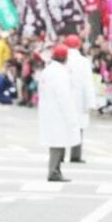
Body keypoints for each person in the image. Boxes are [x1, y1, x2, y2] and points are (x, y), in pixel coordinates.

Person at [38, 44, 79, 182]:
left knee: (57, 141)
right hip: (58, 112)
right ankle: (54, 171)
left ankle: (56, 170)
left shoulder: (48, 70)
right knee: (58, 141)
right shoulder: (60, 73)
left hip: (48, 110)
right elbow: (64, 96)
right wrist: (70, 115)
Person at [64, 34, 96, 164]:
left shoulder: (62, 60)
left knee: (63, 126)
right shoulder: (83, 61)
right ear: (78, 45)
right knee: (78, 128)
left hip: (64, 98)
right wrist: (91, 102)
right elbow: (88, 83)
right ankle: (75, 155)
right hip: (79, 99)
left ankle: (59, 155)